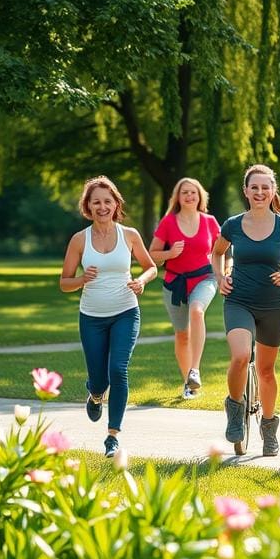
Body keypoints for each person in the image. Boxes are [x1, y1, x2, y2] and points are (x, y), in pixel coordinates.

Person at [211, 164, 280, 456]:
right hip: (238, 299)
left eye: (265, 187)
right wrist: (220, 278)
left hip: (272, 305)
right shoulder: (232, 224)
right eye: (254, 187)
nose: (259, 192)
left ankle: (268, 427)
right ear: (245, 191)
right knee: (241, 356)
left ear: (272, 191)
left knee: (266, 370)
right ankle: (234, 407)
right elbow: (217, 252)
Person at [59, 176, 157, 458]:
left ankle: (112, 436)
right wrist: (81, 279)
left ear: (116, 204)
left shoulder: (130, 235)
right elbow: (64, 282)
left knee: (119, 369)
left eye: (107, 201)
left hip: (126, 311)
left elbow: (151, 268)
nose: (102, 206)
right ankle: (95, 393)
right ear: (88, 206)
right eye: (96, 202)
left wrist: (141, 281)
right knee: (100, 379)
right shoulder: (79, 240)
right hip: (91, 317)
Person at [148, 177, 222, 400]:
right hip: (175, 284)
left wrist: (225, 271)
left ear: (200, 196)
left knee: (197, 310)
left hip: (205, 278)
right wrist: (170, 254)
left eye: (193, 192)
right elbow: (152, 254)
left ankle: (195, 369)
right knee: (182, 335)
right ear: (177, 198)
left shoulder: (209, 221)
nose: (189, 196)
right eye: (185, 193)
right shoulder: (168, 222)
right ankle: (188, 384)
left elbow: (223, 249)